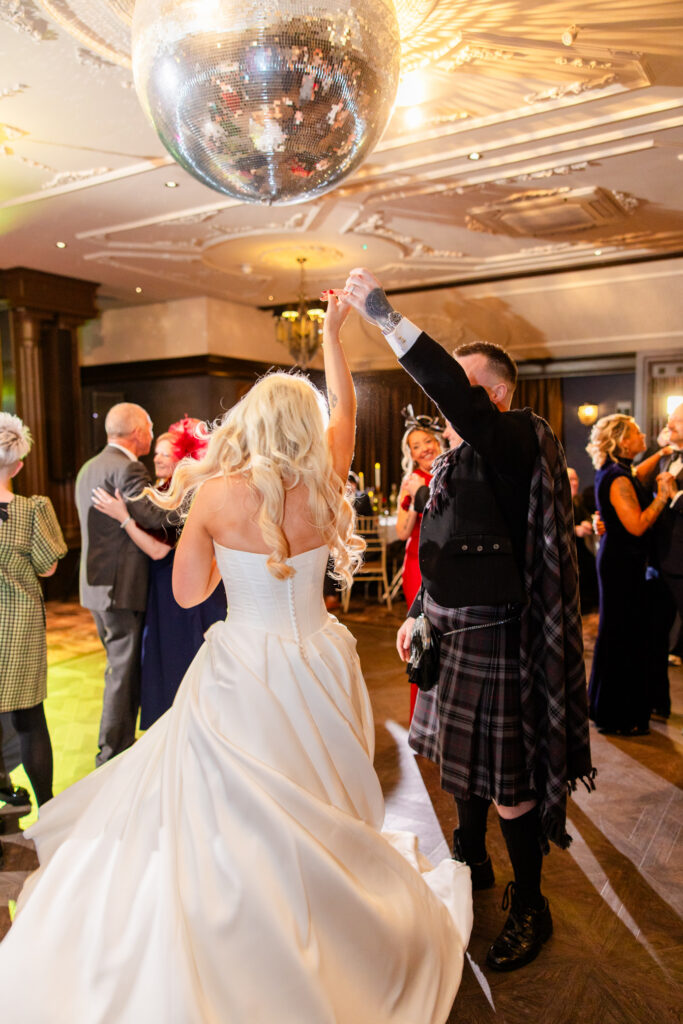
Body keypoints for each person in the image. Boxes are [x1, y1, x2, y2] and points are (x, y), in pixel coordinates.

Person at [0, 294, 472, 1023]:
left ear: (249, 423)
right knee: (318, 795)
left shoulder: (219, 495)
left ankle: (247, 917)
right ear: (306, 428)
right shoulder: (327, 475)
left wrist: (219, 545)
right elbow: (342, 408)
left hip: (245, 664)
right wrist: (335, 338)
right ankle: (326, 914)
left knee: (236, 808)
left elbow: (189, 596)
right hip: (321, 657)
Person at [342, 266, 595, 973]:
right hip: (448, 630)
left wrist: (385, 317)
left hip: (497, 637)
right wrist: (419, 610)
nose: (445, 394)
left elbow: (456, 396)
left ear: (496, 393)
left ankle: (530, 903)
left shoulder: (517, 438)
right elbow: (441, 545)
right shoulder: (452, 461)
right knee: (461, 765)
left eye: (462, 383)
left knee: (508, 783)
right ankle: (467, 854)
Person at [92, 418, 227, 729]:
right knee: (165, 659)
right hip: (161, 586)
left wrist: (123, 517)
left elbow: (159, 551)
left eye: (165, 453)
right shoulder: (158, 491)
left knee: (181, 657)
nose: (157, 458)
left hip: (176, 586)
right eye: (156, 453)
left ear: (182, 458)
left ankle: (185, 725)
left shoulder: (183, 496)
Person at [74, 403, 168, 766]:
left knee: (119, 669)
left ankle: (117, 750)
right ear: (136, 433)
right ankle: (112, 756)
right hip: (121, 588)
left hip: (97, 588)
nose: (150, 431)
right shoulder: (127, 468)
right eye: (148, 426)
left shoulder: (89, 467)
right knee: (122, 673)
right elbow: (154, 516)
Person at [586, 415, 675, 735]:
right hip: (621, 566)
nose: (643, 437)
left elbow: (638, 473)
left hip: (621, 561)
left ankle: (608, 706)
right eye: (637, 433)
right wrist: (664, 496)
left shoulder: (621, 470)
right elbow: (636, 525)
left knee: (619, 633)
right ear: (624, 442)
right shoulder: (617, 478)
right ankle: (616, 714)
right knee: (621, 635)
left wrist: (663, 455)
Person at [0, 413, 67, 824]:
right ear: (19, 465)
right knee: (30, 720)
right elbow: (48, 568)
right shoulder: (32, 510)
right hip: (20, 626)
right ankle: (50, 813)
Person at [395, 406, 443, 718]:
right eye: (417, 445)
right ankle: (421, 715)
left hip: (447, 559)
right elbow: (401, 532)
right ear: (410, 454)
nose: (424, 448)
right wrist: (414, 498)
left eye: (428, 441)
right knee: (421, 635)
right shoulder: (411, 480)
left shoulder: (450, 470)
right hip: (417, 561)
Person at [567, 467, 600, 612]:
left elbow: (586, 515)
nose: (574, 483)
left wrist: (588, 522)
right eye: (570, 480)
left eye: (575, 479)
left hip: (583, 553)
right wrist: (575, 530)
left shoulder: (578, 500)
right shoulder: (557, 503)